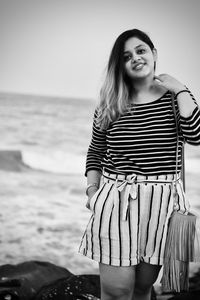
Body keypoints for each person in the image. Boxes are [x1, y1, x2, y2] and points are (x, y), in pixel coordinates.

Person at [78, 29, 200, 300]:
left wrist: (180, 88)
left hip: (162, 203)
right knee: (117, 290)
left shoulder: (174, 97)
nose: (135, 58)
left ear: (154, 54)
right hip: (116, 199)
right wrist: (92, 190)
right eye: (126, 56)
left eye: (141, 50)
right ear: (119, 65)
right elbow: (96, 150)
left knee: (143, 286)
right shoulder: (110, 103)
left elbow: (196, 135)